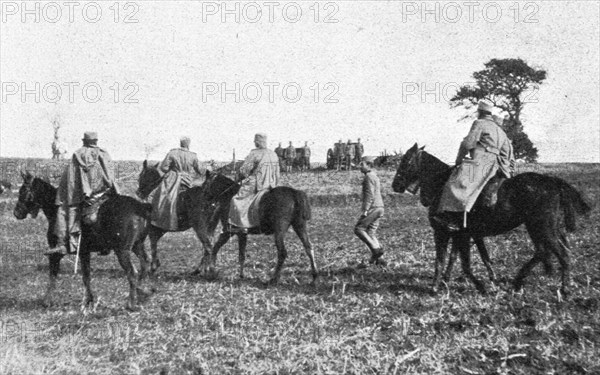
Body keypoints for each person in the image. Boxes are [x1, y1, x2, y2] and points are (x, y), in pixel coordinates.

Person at [434, 100, 515, 231]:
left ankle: (451, 219)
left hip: (481, 163)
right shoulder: (500, 131)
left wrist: (459, 160)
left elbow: (467, 144)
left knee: (454, 183)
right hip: (496, 165)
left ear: (480, 112)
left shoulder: (479, 123)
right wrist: (506, 168)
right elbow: (508, 152)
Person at [46, 131, 119, 255]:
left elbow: (69, 179)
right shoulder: (104, 154)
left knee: (62, 211)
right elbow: (110, 176)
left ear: (84, 141)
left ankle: (62, 244)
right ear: (96, 141)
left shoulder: (78, 154)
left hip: (84, 195)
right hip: (104, 193)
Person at [228, 133, 280, 233]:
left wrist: (239, 176)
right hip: (272, 184)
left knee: (236, 199)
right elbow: (277, 173)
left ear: (257, 142)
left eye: (255, 141)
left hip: (257, 183)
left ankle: (240, 225)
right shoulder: (273, 154)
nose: (254, 143)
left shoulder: (254, 153)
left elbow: (244, 171)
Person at [150, 136, 203, 231]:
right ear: (189, 144)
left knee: (161, 196)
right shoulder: (193, 155)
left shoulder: (172, 153)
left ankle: (159, 219)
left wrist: (172, 169)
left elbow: (163, 168)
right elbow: (200, 170)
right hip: (187, 181)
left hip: (173, 180)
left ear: (180, 143)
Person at [354, 156, 385, 266]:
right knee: (370, 232)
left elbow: (369, 195)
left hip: (373, 208)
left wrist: (365, 210)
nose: (359, 167)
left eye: (362, 164)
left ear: (369, 165)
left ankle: (376, 251)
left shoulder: (368, 177)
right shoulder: (374, 176)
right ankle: (380, 260)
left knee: (359, 229)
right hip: (380, 207)